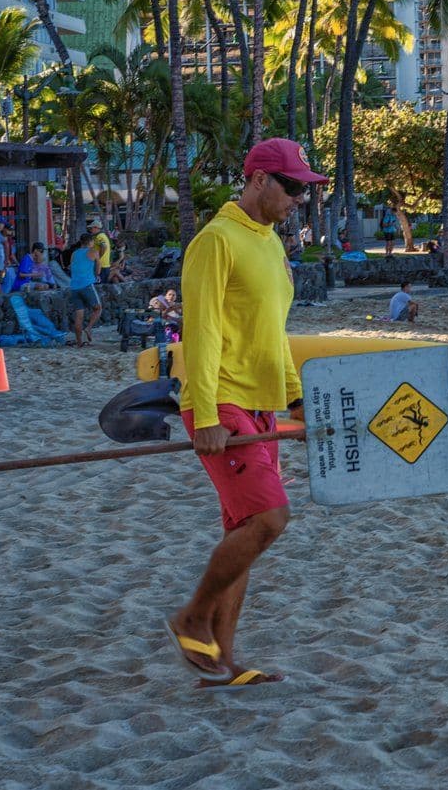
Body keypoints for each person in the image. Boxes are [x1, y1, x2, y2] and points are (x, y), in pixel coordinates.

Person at [166, 137, 327, 687]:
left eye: (304, 191)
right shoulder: (217, 241)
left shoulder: (270, 245)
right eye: (293, 187)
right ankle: (193, 617)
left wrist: (296, 398)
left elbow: (273, 335)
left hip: (258, 406)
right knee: (270, 519)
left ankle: (222, 663)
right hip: (222, 403)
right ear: (260, 179)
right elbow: (203, 331)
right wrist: (206, 413)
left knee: (243, 532)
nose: (298, 199)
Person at [68, 233, 102, 347]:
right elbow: (98, 268)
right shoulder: (93, 251)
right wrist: (97, 275)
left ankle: (79, 343)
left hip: (74, 287)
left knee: (79, 316)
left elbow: (71, 267)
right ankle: (88, 328)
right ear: (90, 242)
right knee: (98, 308)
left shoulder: (74, 253)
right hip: (87, 285)